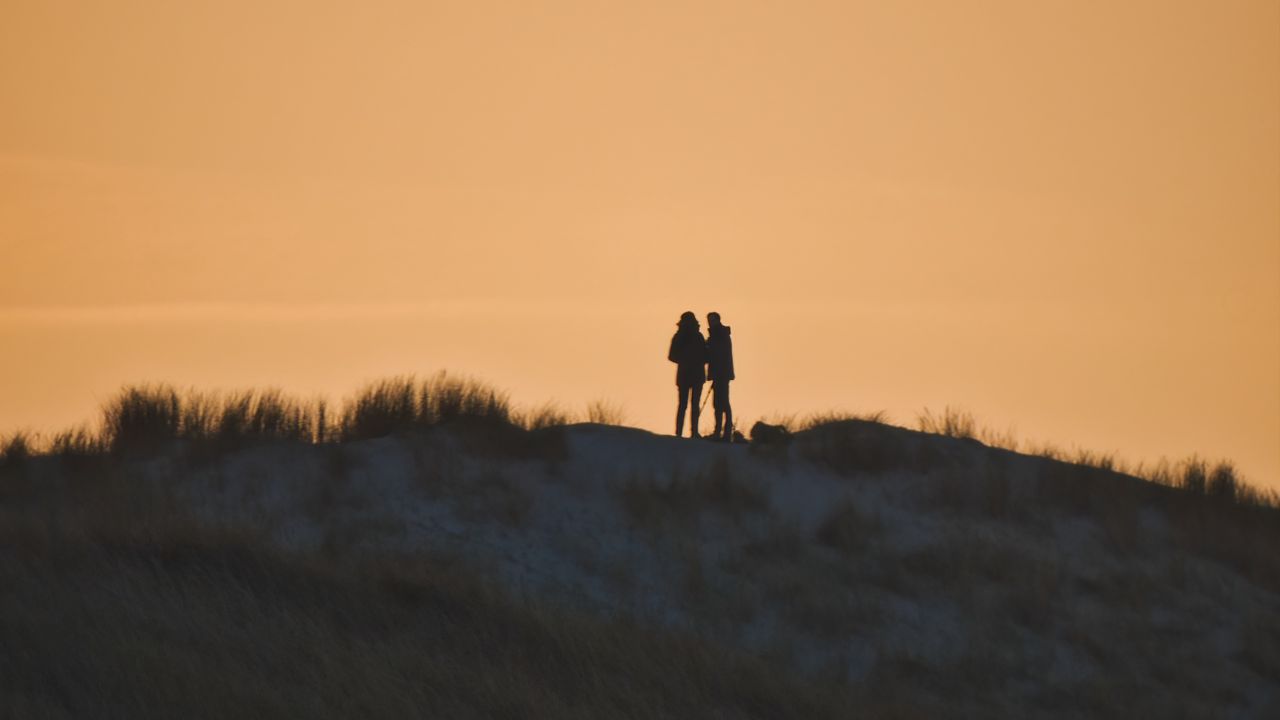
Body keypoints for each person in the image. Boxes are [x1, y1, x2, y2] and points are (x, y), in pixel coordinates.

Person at [668, 311, 708, 437]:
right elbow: (706, 357)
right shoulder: (698, 336)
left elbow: (672, 356)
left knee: (683, 405)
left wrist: (684, 360)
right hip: (695, 375)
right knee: (693, 405)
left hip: (685, 375)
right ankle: (693, 432)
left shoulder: (679, 336)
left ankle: (680, 433)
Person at [706, 311, 735, 441]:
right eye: (709, 320)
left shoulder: (720, 334)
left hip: (722, 373)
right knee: (718, 403)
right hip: (719, 373)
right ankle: (719, 431)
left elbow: (720, 355)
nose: (710, 322)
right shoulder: (716, 334)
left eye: (712, 320)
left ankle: (725, 432)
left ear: (717, 320)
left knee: (723, 402)